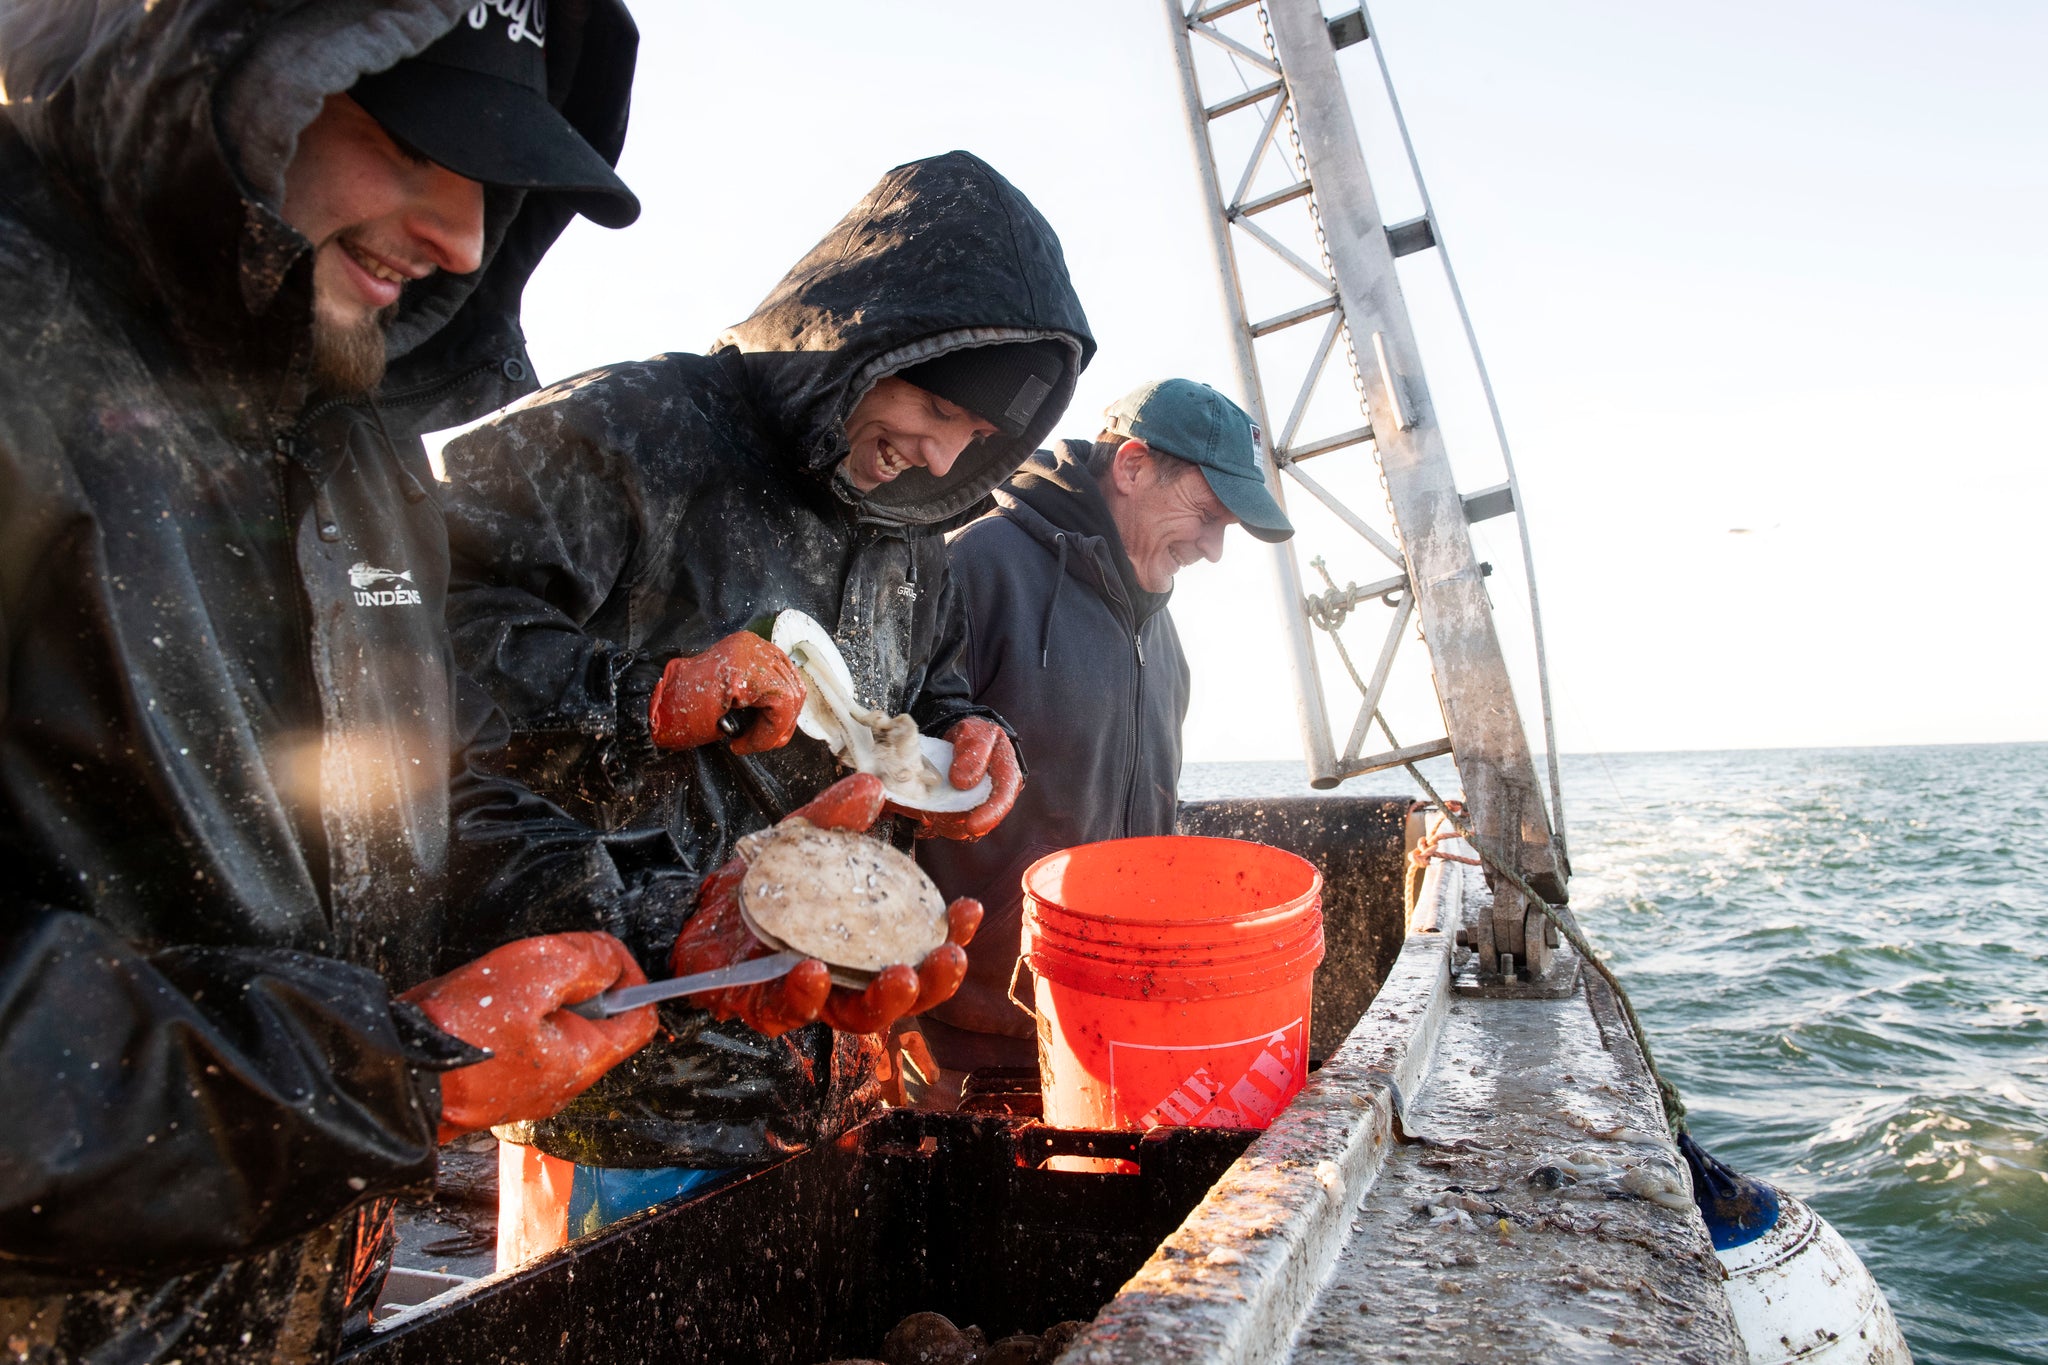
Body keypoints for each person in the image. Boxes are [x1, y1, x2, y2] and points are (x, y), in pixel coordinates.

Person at [0, 2, 671, 1357]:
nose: (467, 243)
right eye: (420, 142)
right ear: (228, 67)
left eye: (497, 185)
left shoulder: (364, 457)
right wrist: (375, 1071)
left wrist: (667, 947)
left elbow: (389, 828)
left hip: (309, 1313)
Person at [440, 149, 1093, 1254]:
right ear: (858, 341)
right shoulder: (629, 432)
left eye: (970, 439)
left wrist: (963, 740)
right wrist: (640, 697)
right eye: (929, 402)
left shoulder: (913, 538)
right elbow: (411, 625)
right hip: (620, 1083)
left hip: (829, 1081)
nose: (935, 451)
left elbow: (924, 685)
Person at [913, 379, 1295, 1091]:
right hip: (962, 1042)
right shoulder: (979, 564)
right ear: (1132, 466)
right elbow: (883, 777)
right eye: (1207, 515)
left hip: (1111, 1033)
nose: (1212, 549)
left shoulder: (1167, 643)